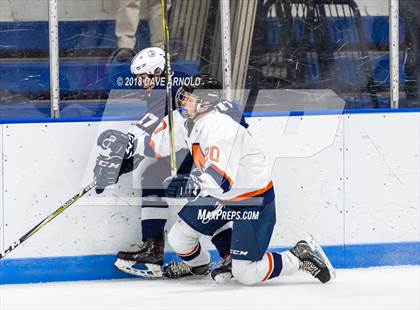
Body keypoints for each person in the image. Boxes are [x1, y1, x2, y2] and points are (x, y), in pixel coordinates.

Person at [124, 72, 335, 284]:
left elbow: (220, 181)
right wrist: (130, 145)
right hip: (221, 198)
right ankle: (199, 267)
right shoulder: (185, 119)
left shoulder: (221, 129)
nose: (183, 101)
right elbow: (156, 142)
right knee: (179, 238)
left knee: (247, 274)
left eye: (189, 97)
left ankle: (297, 256)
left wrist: (193, 185)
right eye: (184, 95)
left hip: (252, 200)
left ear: (205, 103)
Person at [94, 48, 239, 278]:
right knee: (153, 177)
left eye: (144, 77)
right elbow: (157, 135)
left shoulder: (164, 88)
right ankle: (154, 247)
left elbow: (146, 128)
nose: (142, 83)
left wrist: (120, 161)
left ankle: (228, 255)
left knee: (201, 199)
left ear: (158, 71)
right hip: (194, 145)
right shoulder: (175, 79)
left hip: (207, 149)